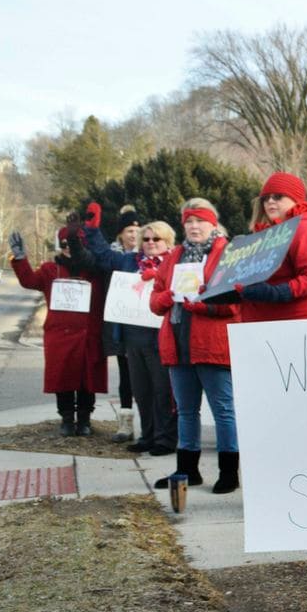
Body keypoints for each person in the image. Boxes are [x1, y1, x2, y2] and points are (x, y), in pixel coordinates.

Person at [149, 199, 242, 494]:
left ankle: (228, 472)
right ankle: (187, 469)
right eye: (189, 221)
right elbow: (155, 301)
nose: (194, 226)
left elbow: (236, 304)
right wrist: (170, 296)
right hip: (178, 344)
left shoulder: (228, 254)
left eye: (200, 220)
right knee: (187, 412)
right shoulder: (173, 256)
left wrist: (201, 304)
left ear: (213, 224)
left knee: (223, 410)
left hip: (212, 344)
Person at [83, 215, 180, 457]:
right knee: (141, 391)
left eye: (156, 238)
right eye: (146, 238)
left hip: (161, 336)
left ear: (168, 241)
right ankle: (146, 435)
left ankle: (165, 439)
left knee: (162, 391)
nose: (150, 242)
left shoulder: (175, 264)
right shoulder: (130, 261)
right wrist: (92, 229)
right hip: (132, 336)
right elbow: (104, 255)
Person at [9, 223, 112, 436]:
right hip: (60, 334)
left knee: (87, 380)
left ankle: (84, 419)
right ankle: (66, 419)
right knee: (63, 378)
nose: (68, 248)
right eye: (63, 244)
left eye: (73, 243)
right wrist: (20, 259)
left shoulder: (96, 270)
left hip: (89, 334)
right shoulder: (50, 269)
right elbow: (29, 281)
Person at [233, 172, 307, 322]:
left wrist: (278, 292)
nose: (270, 201)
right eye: (265, 198)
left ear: (296, 199)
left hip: (295, 324)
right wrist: (223, 292)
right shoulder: (262, 236)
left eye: (278, 196)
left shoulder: (306, 228)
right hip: (259, 326)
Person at [106, 205, 143, 442]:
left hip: (145, 322)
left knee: (149, 377)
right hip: (122, 321)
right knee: (126, 375)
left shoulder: (147, 255)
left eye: (136, 230)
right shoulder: (114, 256)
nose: (133, 235)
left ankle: (151, 423)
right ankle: (126, 423)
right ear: (121, 233)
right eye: (129, 230)